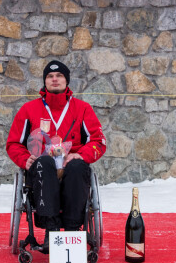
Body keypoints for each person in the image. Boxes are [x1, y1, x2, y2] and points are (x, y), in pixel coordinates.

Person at [6, 60, 107, 251]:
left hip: (71, 169)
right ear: (44, 81)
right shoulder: (29, 110)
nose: (54, 79)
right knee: (43, 162)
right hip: (42, 170)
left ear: (66, 81)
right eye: (50, 76)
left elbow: (99, 141)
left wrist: (82, 155)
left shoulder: (83, 109)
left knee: (78, 165)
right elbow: (13, 144)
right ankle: (50, 229)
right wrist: (24, 159)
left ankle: (72, 229)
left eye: (59, 76)